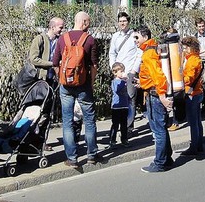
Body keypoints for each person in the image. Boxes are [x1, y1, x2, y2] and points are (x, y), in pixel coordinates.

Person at [52, 11, 99, 168]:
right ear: (84, 22)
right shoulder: (90, 40)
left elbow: (55, 63)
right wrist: (91, 83)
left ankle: (72, 158)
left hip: (66, 86)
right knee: (89, 121)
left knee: (67, 121)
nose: (89, 25)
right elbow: (94, 66)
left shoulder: (62, 39)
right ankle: (91, 155)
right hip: (84, 85)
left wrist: (62, 79)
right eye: (89, 22)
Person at [137, 26, 173, 172]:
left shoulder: (148, 53)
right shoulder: (153, 49)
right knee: (162, 128)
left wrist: (163, 96)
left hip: (155, 95)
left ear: (145, 37)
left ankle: (160, 163)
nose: (135, 41)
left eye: (137, 37)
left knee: (158, 130)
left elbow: (158, 76)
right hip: (154, 92)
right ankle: (167, 159)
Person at [108, 12, 140, 132]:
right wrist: (113, 67)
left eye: (124, 21)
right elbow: (112, 53)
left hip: (130, 73)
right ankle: (119, 125)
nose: (122, 23)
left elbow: (139, 53)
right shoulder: (115, 36)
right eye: (120, 21)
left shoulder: (134, 36)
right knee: (118, 99)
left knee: (130, 99)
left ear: (128, 22)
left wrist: (133, 70)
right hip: (118, 73)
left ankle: (128, 127)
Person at [180, 36, 204, 156]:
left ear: (190, 47)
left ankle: (194, 147)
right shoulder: (196, 58)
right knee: (198, 121)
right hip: (198, 92)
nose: (184, 50)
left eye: (185, 47)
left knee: (193, 122)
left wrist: (180, 80)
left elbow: (188, 78)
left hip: (192, 94)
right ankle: (199, 145)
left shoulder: (192, 60)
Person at [108, 62, 130, 148]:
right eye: (121, 71)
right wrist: (124, 81)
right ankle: (112, 139)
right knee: (115, 124)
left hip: (124, 105)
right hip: (116, 107)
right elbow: (117, 90)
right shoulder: (115, 82)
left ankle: (124, 139)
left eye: (123, 71)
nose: (123, 73)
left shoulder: (123, 81)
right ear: (115, 72)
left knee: (124, 124)